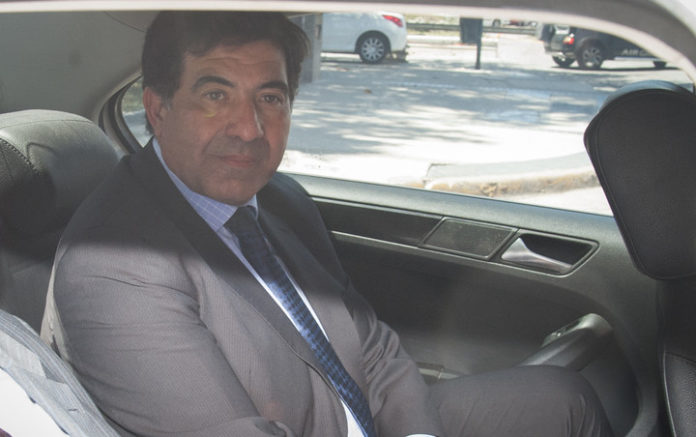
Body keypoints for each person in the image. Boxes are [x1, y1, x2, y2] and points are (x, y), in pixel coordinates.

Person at [41, 11, 613, 437]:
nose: (249, 128)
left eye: (270, 98)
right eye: (216, 95)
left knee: (564, 400)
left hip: (361, 419)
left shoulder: (276, 200)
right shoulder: (113, 267)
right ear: (158, 109)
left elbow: (373, 348)